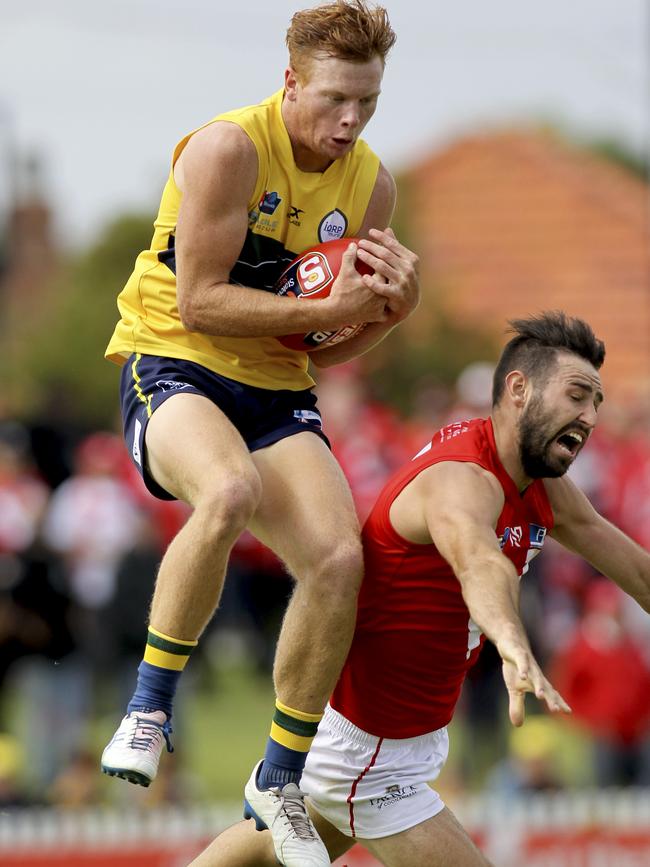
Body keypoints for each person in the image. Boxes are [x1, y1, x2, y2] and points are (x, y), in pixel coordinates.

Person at [101, 2, 419, 864]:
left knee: (339, 556)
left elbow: (333, 342)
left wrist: (392, 312)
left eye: (369, 102)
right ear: (289, 83)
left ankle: (278, 772)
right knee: (230, 489)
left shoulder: (373, 184)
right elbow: (202, 301)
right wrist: (331, 305)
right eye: (334, 101)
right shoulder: (227, 149)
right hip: (173, 362)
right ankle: (148, 705)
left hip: (276, 388)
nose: (350, 121)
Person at [187, 311, 650, 867]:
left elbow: (638, 574)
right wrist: (511, 641)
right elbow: (479, 562)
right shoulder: (460, 480)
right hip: (368, 749)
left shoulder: (544, 488)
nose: (591, 415)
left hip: (399, 738)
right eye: (577, 395)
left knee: (260, 858)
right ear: (519, 390)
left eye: (596, 403)